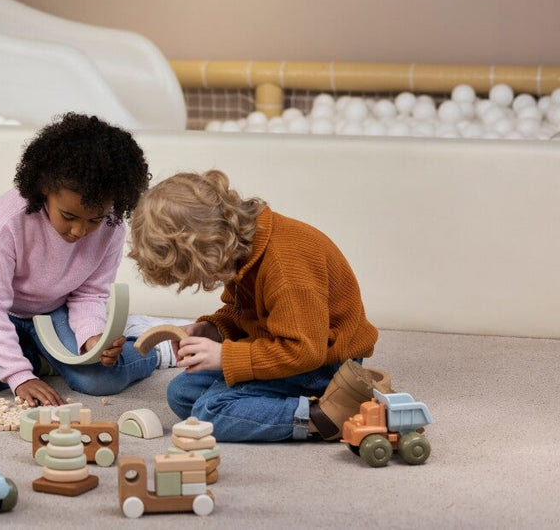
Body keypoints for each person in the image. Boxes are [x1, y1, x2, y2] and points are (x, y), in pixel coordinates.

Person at [127, 169, 391, 442]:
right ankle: (284, 404)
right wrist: (212, 330)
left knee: (209, 411)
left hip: (324, 363)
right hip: (279, 347)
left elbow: (305, 351)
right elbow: (242, 313)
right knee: (181, 393)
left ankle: (323, 416)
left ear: (210, 247)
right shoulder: (241, 248)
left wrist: (226, 357)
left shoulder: (286, 268)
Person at [0, 112, 171, 407]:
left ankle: (156, 349)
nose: (79, 231)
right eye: (68, 216)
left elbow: (90, 293)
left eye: (93, 219)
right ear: (44, 187)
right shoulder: (9, 220)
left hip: (58, 310)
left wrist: (92, 339)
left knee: (100, 379)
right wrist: (20, 376)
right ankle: (38, 357)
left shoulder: (111, 227)